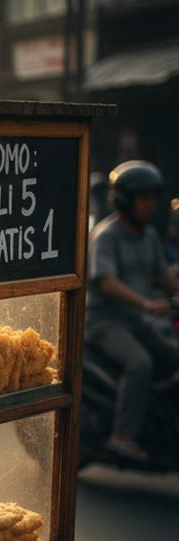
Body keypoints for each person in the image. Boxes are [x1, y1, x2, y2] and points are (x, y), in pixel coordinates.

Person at [86, 160, 179, 461]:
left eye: (154, 197)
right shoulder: (106, 235)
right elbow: (107, 281)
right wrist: (146, 303)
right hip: (104, 322)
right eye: (144, 197)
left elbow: (163, 277)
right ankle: (122, 435)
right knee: (140, 364)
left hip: (138, 322)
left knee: (171, 360)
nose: (151, 204)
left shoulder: (148, 236)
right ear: (125, 199)